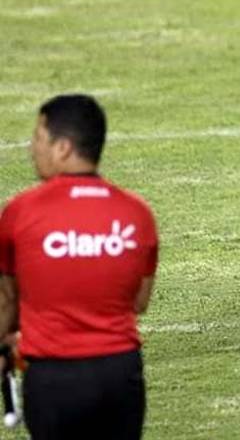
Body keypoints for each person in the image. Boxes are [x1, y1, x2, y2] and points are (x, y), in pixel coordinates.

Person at [0, 94, 158, 440]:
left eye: (39, 139)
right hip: (121, 375)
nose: (32, 149)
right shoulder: (137, 213)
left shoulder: (20, 213)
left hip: (53, 379)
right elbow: (139, 302)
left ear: (63, 148)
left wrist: (5, 342)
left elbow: (7, 303)